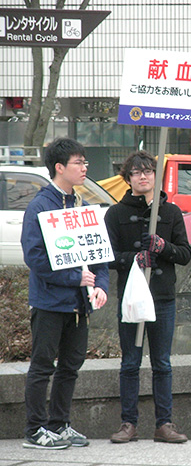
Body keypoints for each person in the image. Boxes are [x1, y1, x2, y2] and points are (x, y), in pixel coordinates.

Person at [21, 138, 109, 449]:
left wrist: (100, 286)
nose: (85, 167)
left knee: (71, 366)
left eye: (85, 162)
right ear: (59, 168)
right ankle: (35, 430)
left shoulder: (82, 206)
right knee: (43, 366)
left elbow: (98, 256)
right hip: (49, 302)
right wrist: (75, 277)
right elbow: (35, 258)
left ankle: (59, 424)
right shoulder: (40, 206)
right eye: (78, 163)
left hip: (78, 304)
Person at [104, 150, 191, 444]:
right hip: (131, 298)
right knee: (130, 362)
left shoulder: (171, 212)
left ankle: (164, 423)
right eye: (137, 172)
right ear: (127, 178)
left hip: (162, 297)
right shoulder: (115, 213)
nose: (143, 176)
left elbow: (185, 254)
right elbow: (108, 257)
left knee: (162, 363)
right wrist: (135, 258)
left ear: (156, 175)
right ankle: (128, 423)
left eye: (148, 171)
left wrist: (163, 247)